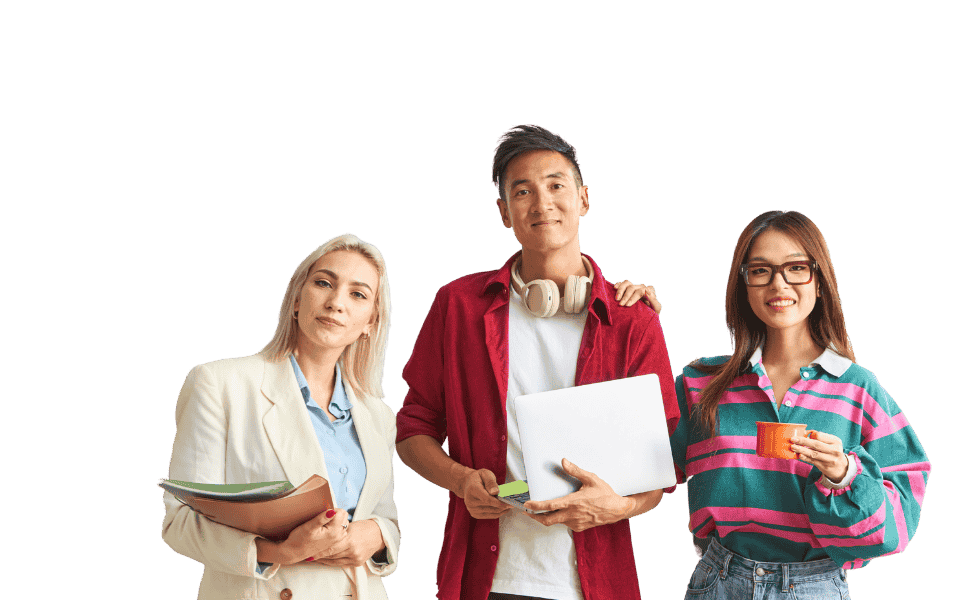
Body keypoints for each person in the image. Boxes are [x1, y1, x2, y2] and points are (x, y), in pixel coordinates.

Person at [395, 124, 677, 600]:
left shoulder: (633, 322)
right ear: (504, 213)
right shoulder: (458, 307)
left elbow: (663, 462)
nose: (541, 202)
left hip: (591, 583)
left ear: (584, 199)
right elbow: (412, 429)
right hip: (485, 581)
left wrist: (616, 507)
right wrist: (460, 480)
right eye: (522, 191)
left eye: (555, 185)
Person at [671, 210, 929, 599]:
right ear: (744, 284)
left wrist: (844, 474)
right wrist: (632, 319)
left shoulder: (859, 389)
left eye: (796, 268)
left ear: (820, 281)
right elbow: (638, 472)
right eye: (760, 271)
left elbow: (895, 529)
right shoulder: (700, 384)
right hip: (718, 583)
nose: (779, 284)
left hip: (815, 587)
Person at [161, 233, 401, 600]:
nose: (336, 303)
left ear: (371, 321)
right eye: (324, 283)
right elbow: (179, 522)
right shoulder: (220, 384)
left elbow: (385, 517)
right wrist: (280, 552)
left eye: (358, 294)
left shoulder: (378, 415)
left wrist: (379, 535)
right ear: (296, 300)